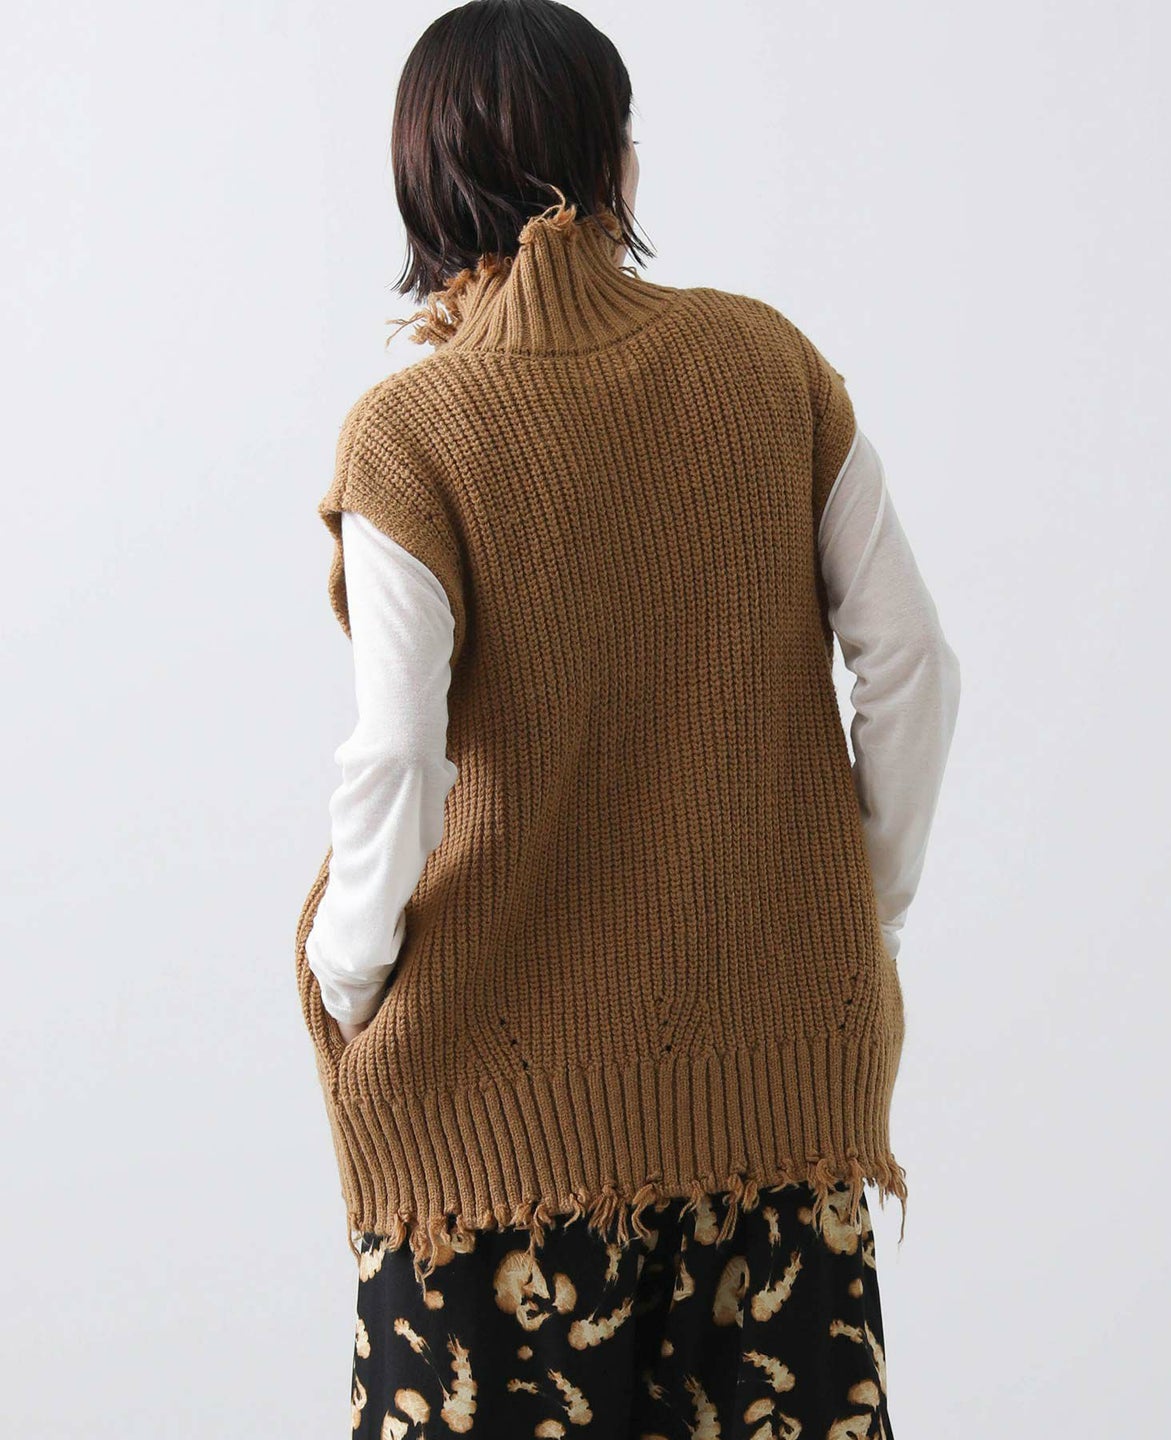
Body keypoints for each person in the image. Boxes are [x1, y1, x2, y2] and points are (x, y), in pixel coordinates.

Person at [294, 2, 961, 1435]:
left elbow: (400, 752)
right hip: (775, 1112)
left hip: (494, 1144)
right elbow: (910, 661)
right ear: (620, 164)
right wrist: (858, 909)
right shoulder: (770, 368)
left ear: (421, 188)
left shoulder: (413, 433)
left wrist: (346, 977)